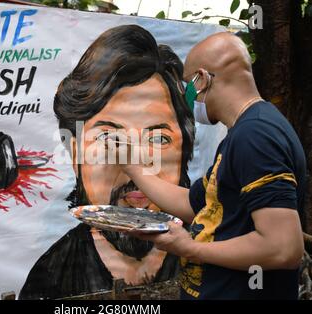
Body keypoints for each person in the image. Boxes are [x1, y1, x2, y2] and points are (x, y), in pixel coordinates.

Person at [121, 32, 306, 300]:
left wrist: (188, 248)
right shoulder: (246, 131)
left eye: (188, 87)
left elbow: (283, 248)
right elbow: (196, 204)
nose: (187, 98)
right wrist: (133, 169)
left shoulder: (255, 136)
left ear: (203, 79)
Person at [19, 25, 195, 299]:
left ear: (185, 149)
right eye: (110, 140)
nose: (136, 166)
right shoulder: (49, 281)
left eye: (158, 139)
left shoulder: (209, 260)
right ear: (76, 151)